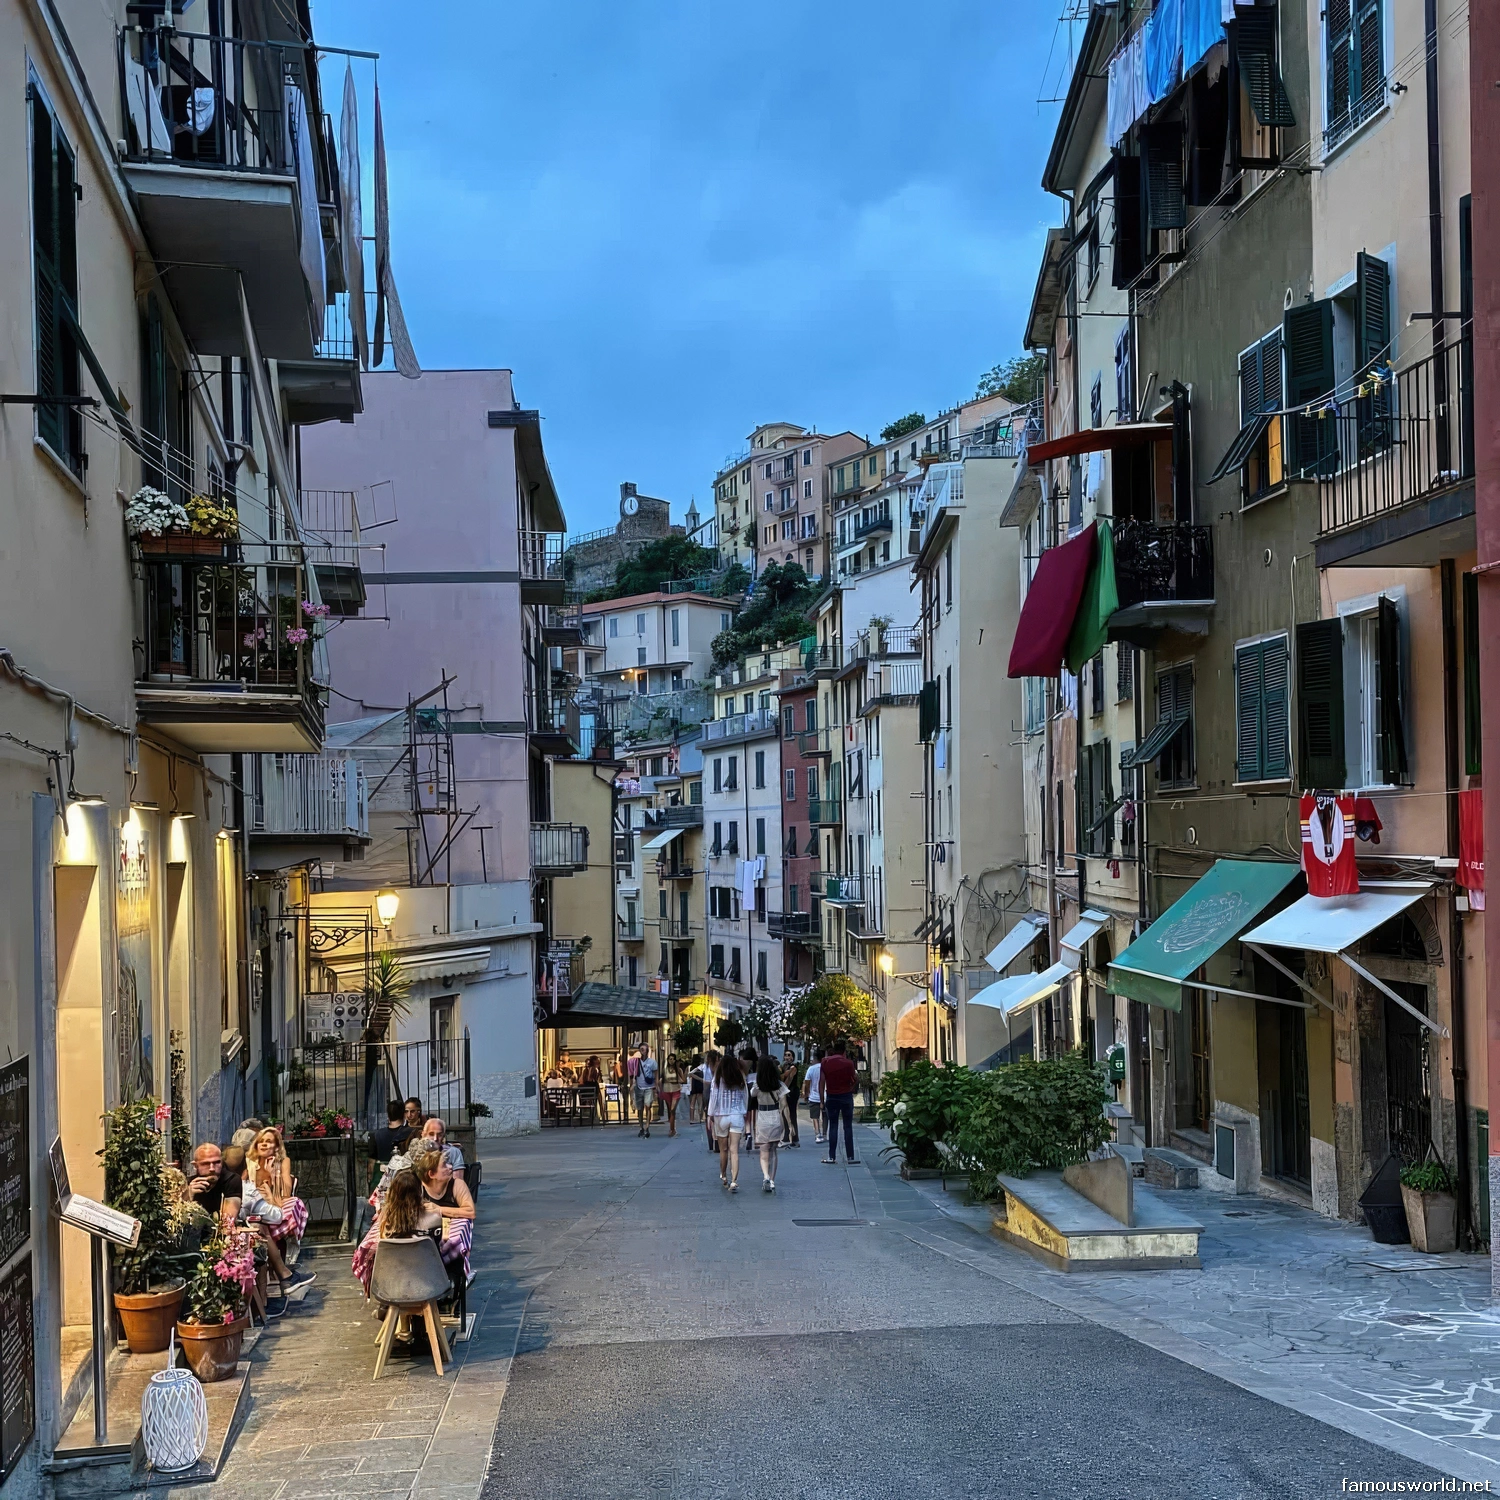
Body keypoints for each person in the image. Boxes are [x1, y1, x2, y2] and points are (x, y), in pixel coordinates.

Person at [230, 1145, 312, 1287]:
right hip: (235, 1237)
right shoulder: (246, 1188)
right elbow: (276, 1216)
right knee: (262, 1230)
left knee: (259, 1227)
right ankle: (284, 1275)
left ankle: (282, 1274)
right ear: (246, 1169)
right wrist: (268, 1194)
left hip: (227, 1232)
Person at [250, 1127, 310, 1245]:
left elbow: (286, 1194)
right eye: (261, 1141)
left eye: (268, 1141)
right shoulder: (250, 1163)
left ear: (277, 1147)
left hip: (274, 1207)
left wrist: (272, 1174)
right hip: (254, 1207)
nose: (264, 1144)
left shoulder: (283, 1161)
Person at [707, 1053, 748, 1192]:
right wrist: (744, 1111)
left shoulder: (718, 1078)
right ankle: (734, 1181)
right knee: (734, 1150)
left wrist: (710, 1115)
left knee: (723, 1149)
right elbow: (745, 1095)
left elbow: (713, 1097)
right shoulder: (740, 1077)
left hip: (721, 1115)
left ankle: (724, 1175)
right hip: (737, 1114)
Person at [752, 1056, 793, 1192]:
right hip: (775, 1117)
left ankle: (766, 1176)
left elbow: (752, 1095)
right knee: (773, 1151)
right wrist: (790, 1125)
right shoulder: (779, 1085)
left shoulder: (757, 1085)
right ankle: (772, 1180)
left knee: (764, 1151)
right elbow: (784, 1105)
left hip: (762, 1118)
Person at [820, 1038, 859, 1165]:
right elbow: (854, 1079)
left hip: (831, 1096)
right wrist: (851, 1088)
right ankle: (850, 1157)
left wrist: (822, 1100)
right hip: (846, 1096)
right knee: (847, 1126)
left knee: (833, 1125)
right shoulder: (849, 1063)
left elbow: (821, 1082)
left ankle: (831, 1156)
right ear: (844, 1051)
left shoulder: (825, 1062)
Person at [186, 1143, 240, 1228]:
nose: (212, 1168)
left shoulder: (231, 1180)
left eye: (217, 1162)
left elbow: (228, 1221)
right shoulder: (190, 1183)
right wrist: (188, 1196)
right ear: (196, 1166)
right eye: (205, 1164)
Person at [367, 1101, 415, 1191]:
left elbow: (371, 1163)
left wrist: (370, 1179)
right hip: (404, 1180)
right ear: (403, 1114)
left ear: (388, 1115)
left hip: (382, 1179)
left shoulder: (376, 1135)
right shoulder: (411, 1133)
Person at [659, 1054, 686, 1136]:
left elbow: (684, 1080)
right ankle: (672, 1128)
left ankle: (672, 1129)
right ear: (668, 1060)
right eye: (670, 1059)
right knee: (670, 1110)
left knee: (672, 1109)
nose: (671, 1061)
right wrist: (659, 1089)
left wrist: (678, 1080)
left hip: (676, 1090)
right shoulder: (664, 1070)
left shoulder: (678, 1070)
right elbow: (661, 1080)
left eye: (673, 1059)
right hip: (666, 1090)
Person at [634, 1046, 659, 1137]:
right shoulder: (636, 1062)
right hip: (639, 1087)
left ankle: (647, 1126)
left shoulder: (652, 1062)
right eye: (641, 1049)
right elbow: (632, 1074)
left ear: (647, 1051)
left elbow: (656, 1074)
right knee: (640, 1108)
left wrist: (656, 1086)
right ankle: (641, 1127)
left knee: (648, 1106)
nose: (642, 1051)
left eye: (644, 1049)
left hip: (649, 1087)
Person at [781, 1048, 802, 1147]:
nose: (787, 1057)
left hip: (791, 1092)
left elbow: (788, 1078)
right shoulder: (784, 1066)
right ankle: (790, 1137)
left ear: (793, 1057)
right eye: (785, 1055)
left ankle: (792, 1138)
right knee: (785, 1114)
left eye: (789, 1055)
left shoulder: (793, 1067)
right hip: (787, 1091)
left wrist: (783, 1089)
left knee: (791, 1114)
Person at [803, 1049, 825, 1143]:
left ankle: (817, 1134)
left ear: (815, 1058)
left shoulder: (811, 1069)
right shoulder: (826, 1067)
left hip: (814, 1096)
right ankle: (825, 1133)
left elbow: (807, 1083)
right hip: (826, 1095)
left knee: (815, 1117)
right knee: (825, 1116)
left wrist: (806, 1094)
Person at [700, 1051, 720, 1152]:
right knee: (714, 1117)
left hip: (707, 1093)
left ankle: (712, 1142)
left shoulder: (706, 1067)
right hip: (712, 1093)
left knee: (709, 1117)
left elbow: (705, 1083)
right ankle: (715, 1142)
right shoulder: (717, 1068)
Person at [687, 1052, 706, 1124]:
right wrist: (701, 1079)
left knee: (692, 1104)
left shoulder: (691, 1068)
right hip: (700, 1086)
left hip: (693, 1086)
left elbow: (689, 1075)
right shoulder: (702, 1067)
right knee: (700, 1103)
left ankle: (691, 1119)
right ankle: (700, 1118)